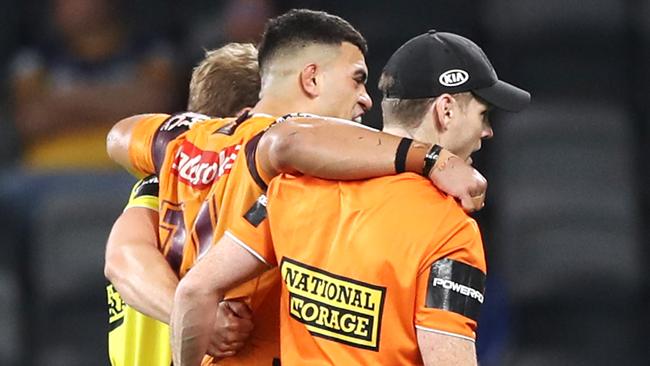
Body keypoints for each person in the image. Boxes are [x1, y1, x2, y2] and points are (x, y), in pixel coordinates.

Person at [107, 10, 487, 365]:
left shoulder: (178, 148)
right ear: (312, 79)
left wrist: (189, 313)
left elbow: (119, 138)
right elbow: (288, 139)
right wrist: (435, 157)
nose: (366, 99)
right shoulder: (283, 166)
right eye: (356, 78)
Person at [104, 42, 261, 366]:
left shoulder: (174, 177)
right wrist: (196, 316)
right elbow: (121, 258)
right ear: (248, 115)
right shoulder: (164, 183)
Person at [9, 0, 176, 170]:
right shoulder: (33, 60)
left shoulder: (151, 52)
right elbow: (30, 121)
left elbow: (156, 108)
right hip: (49, 173)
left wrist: (62, 103)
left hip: (129, 169)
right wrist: (117, 102)